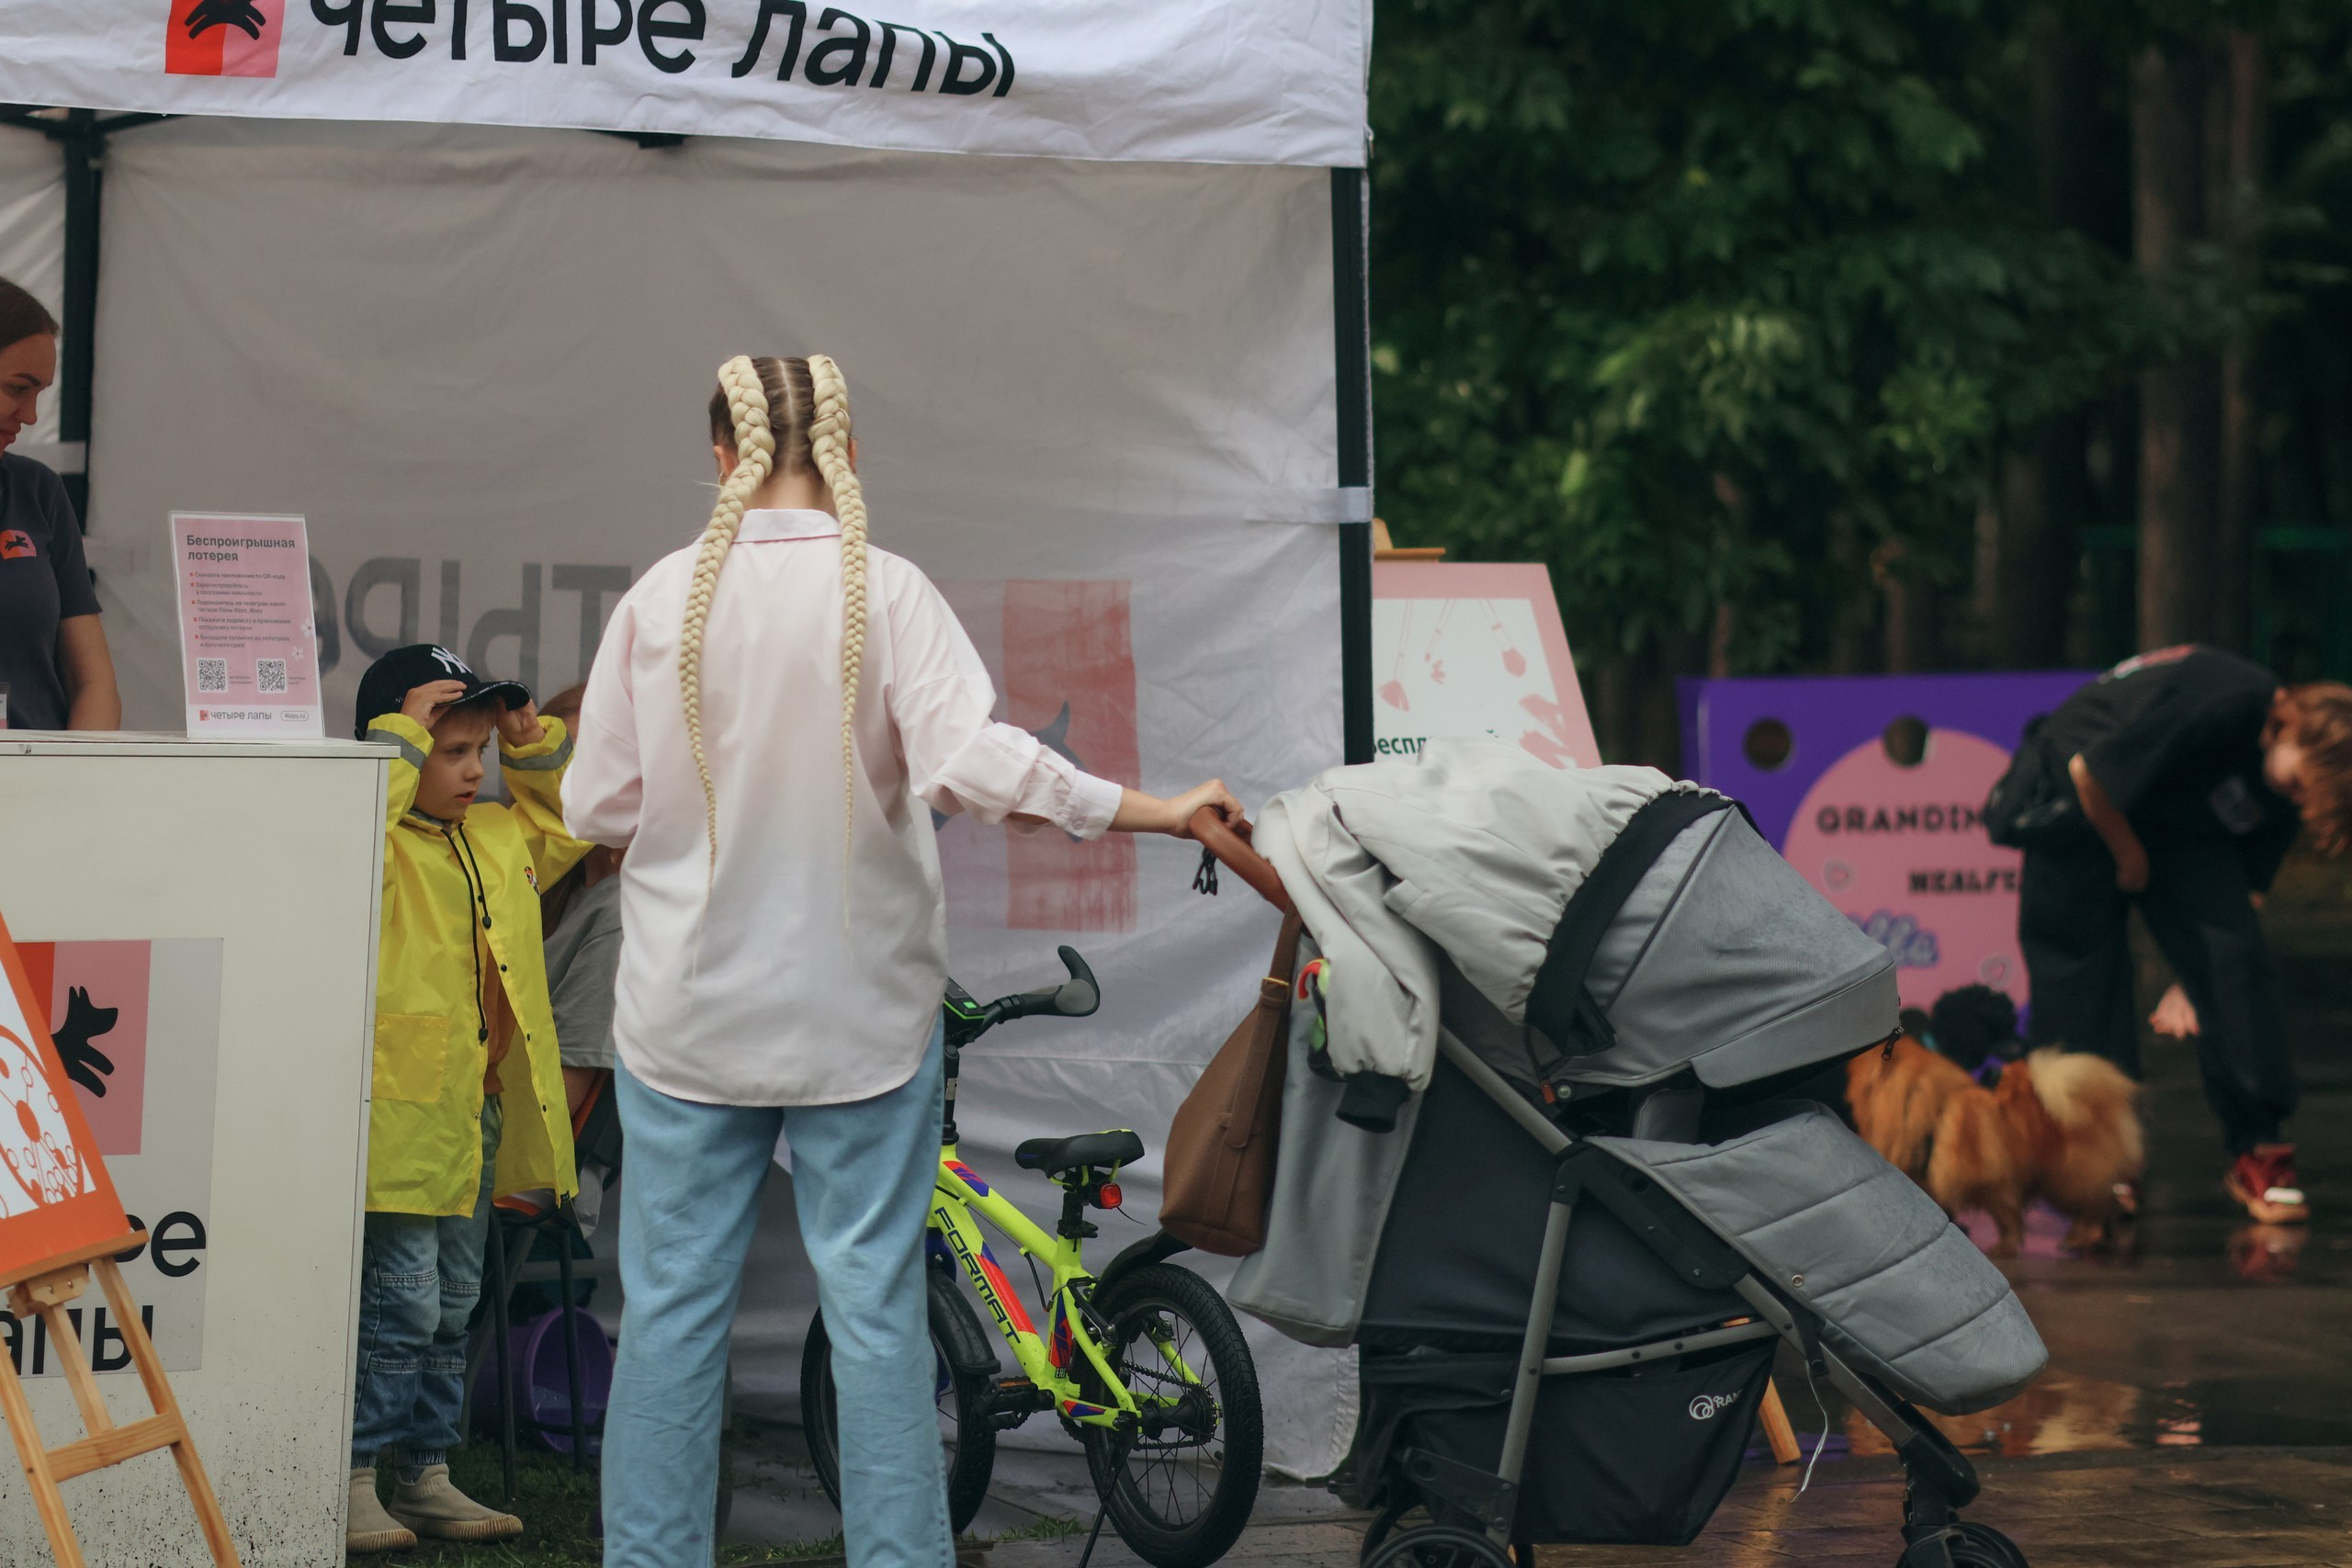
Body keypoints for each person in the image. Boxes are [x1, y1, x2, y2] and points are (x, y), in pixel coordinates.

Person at [564, 355, 1240, 1568]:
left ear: (719, 457)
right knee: (876, 1317)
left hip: (686, 1020)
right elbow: (983, 771)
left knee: (668, 1320)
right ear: (848, 448)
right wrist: (1160, 806)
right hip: (862, 1019)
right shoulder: (890, 593)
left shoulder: (662, 601)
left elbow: (598, 801)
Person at [347, 644, 592, 1554]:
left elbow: (573, 821)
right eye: (451, 751)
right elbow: (352, 817)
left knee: (453, 1301)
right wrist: (398, 742)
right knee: (401, 1303)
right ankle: (356, 1475)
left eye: (481, 752)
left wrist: (535, 750)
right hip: (400, 1119)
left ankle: (424, 1473)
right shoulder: (368, 840)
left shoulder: (495, 833)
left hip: (472, 1118)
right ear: (399, 747)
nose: (473, 769)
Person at [2004, 646, 2352, 1225]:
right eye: (2297, 785)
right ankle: (2101, 1162)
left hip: (2176, 821)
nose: (2289, 799)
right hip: (2081, 799)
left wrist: (2191, 983)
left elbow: (2246, 896)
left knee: (2234, 959)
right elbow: (2093, 774)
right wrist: (2129, 855)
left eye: (2301, 799)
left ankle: (2258, 1147)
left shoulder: (2287, 788)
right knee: (2082, 980)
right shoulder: (2222, 701)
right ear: (2294, 728)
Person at [0, 276, 119, 730]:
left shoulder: (39, 492)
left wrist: (78, 785)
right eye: (17, 388)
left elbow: (94, 682)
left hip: (41, 787)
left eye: (39, 394)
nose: (30, 416)